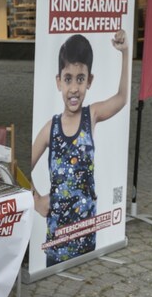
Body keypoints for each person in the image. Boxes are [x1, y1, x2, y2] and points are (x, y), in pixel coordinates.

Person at [31, 30, 129, 266]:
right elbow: (20, 164)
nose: (74, 88)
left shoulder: (91, 116)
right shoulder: (50, 129)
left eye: (80, 78)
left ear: (89, 81)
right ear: (58, 81)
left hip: (86, 235)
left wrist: (126, 53)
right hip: (56, 241)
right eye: (68, 78)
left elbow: (123, 97)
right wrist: (35, 199)